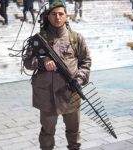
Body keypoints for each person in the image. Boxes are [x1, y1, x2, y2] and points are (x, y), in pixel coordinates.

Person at [23, 0, 91, 149]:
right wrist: (42, 62)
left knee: (73, 132)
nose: (57, 17)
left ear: (66, 15)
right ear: (48, 16)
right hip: (47, 96)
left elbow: (85, 62)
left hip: (70, 94)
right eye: (54, 14)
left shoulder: (76, 38)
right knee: (47, 132)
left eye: (61, 14)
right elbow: (27, 62)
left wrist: (79, 79)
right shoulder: (39, 40)